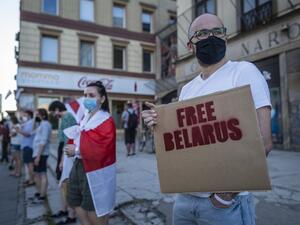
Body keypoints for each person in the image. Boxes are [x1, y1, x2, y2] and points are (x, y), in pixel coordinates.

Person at [142, 13, 272, 225]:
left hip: (225, 204)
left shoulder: (244, 72)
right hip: (184, 200)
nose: (210, 37)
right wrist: (158, 124)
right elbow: (183, 143)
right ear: (191, 46)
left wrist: (225, 195)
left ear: (225, 38)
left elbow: (263, 143)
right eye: (202, 33)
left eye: (217, 32)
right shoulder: (187, 89)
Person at [64, 81, 116, 225]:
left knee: (94, 206)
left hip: (96, 169)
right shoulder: (85, 117)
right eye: (85, 95)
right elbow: (79, 136)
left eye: (91, 95)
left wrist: (76, 150)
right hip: (79, 164)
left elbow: (102, 148)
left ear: (102, 98)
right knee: (74, 199)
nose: (87, 98)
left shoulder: (106, 120)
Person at [49, 100, 77, 224]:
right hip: (65, 151)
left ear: (57, 109)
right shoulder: (66, 117)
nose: (54, 115)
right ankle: (64, 209)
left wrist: (61, 161)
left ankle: (71, 215)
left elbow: (68, 140)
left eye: (53, 112)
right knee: (63, 183)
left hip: (67, 152)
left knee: (66, 182)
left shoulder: (67, 118)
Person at [31, 108, 52, 204]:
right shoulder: (41, 124)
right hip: (37, 152)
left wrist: (38, 156)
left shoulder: (45, 125)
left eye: (38, 115)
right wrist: (34, 119)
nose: (37, 116)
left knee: (42, 174)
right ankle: (41, 192)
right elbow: (32, 131)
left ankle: (42, 195)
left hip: (41, 153)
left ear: (43, 115)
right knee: (38, 174)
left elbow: (43, 141)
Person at [17, 110, 35, 186]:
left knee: (30, 164)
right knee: (28, 165)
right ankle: (29, 179)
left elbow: (28, 134)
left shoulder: (31, 123)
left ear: (29, 115)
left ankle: (31, 180)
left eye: (25, 115)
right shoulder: (27, 123)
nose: (23, 116)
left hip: (29, 146)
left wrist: (19, 131)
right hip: (26, 146)